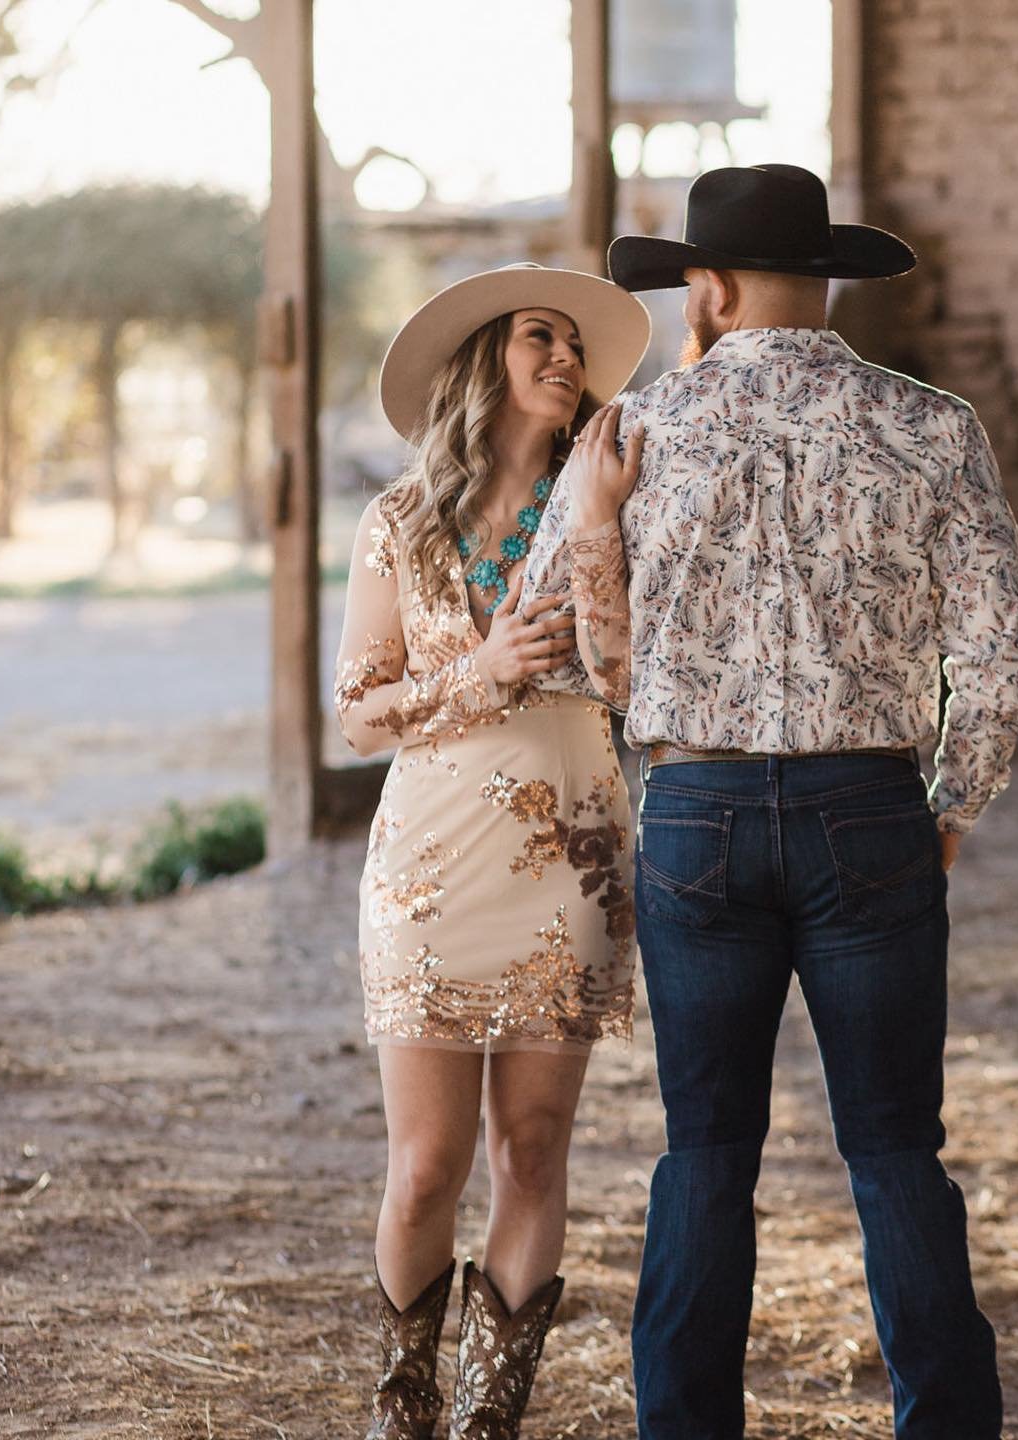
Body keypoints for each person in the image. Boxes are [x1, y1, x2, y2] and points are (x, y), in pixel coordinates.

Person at [524, 164, 1018, 1440]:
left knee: (705, 1150)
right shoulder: (933, 427)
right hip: (870, 810)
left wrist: (599, 527)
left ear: (706, 286)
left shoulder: (635, 437)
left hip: (694, 814)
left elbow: (549, 638)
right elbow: (1005, 656)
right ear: (826, 285)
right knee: (893, 1150)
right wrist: (947, 806)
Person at [334, 262, 650, 1440]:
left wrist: (606, 524)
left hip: (567, 860)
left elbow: (626, 677)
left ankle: (487, 1421)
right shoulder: (398, 526)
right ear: (485, 364)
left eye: (576, 345)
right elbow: (359, 713)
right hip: (429, 867)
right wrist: (483, 669)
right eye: (541, 338)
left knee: (533, 1147)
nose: (569, 359)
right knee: (425, 1166)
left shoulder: (607, 499)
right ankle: (402, 1407)